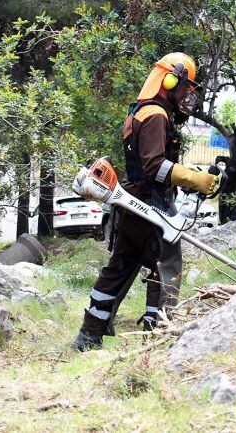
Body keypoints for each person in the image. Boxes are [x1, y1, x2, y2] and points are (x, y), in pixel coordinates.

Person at [70, 53, 219, 351]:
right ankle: (158, 335)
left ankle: (89, 335)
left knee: (121, 265)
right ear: (170, 79)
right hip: (150, 206)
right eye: (185, 87)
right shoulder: (155, 115)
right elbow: (154, 167)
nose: (187, 95)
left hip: (132, 204)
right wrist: (194, 178)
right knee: (165, 267)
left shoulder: (141, 111)